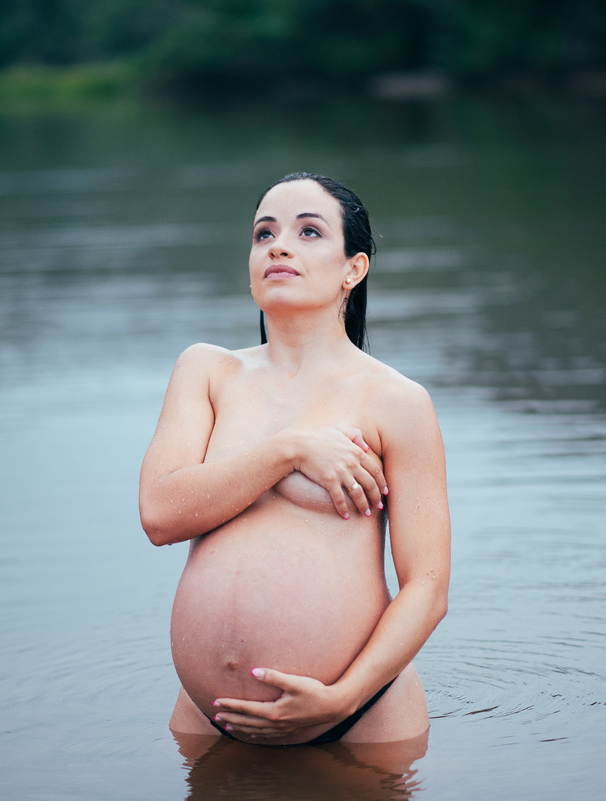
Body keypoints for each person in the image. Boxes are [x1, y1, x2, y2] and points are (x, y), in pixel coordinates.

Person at [139, 172, 450, 745]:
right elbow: (160, 515)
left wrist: (342, 700)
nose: (278, 245)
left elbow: (427, 586)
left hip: (360, 719)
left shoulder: (397, 401)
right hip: (209, 717)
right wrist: (291, 448)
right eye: (264, 235)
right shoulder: (207, 371)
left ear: (353, 269)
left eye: (309, 232)